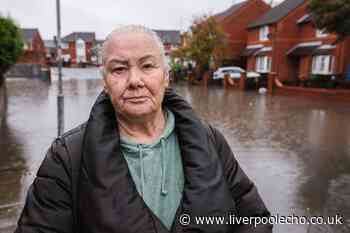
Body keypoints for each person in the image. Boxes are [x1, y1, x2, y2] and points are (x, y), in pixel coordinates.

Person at [15, 25, 272, 233]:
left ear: (166, 76)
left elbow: (255, 219)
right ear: (104, 81)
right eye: (119, 69)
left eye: (147, 66)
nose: (135, 81)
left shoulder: (210, 139)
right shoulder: (68, 156)